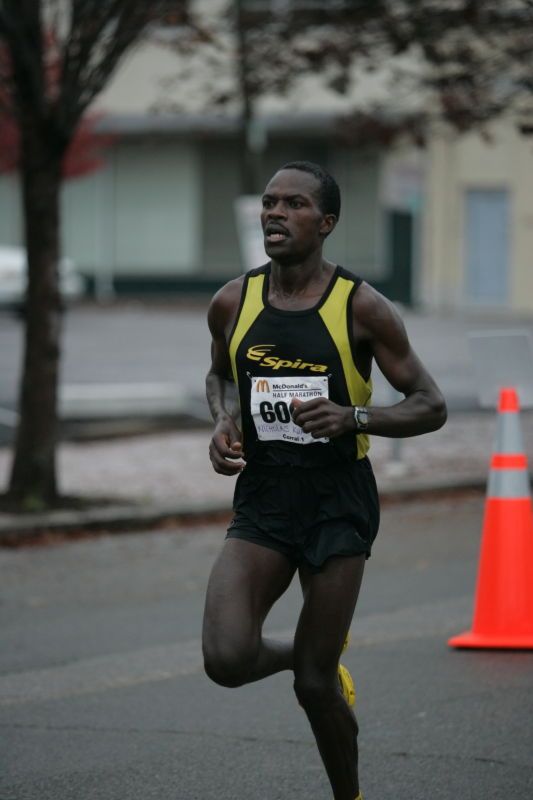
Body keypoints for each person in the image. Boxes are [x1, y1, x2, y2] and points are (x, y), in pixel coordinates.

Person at [202, 160, 447, 800]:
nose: (274, 213)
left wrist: (353, 416)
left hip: (338, 498)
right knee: (226, 660)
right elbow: (221, 375)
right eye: (268, 202)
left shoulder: (361, 306)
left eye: (293, 204)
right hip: (264, 494)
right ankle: (317, 653)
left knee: (313, 687)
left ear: (326, 222)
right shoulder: (234, 300)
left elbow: (430, 403)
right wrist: (224, 417)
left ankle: (349, 794)